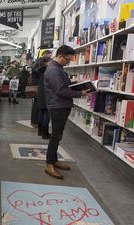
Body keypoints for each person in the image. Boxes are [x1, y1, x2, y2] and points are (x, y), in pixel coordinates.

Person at [44, 45, 90, 179]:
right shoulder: (54, 70)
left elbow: (63, 85)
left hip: (60, 105)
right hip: (58, 106)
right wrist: (80, 92)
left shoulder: (58, 68)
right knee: (55, 135)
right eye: (67, 59)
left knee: (57, 135)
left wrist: (76, 82)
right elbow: (61, 90)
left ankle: (53, 160)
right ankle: (49, 164)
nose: (68, 62)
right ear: (59, 56)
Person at [30, 50, 52, 128]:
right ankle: (36, 122)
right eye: (50, 55)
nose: (50, 57)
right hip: (40, 86)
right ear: (45, 55)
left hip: (37, 86)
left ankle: (34, 121)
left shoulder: (36, 62)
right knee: (39, 105)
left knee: (36, 105)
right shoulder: (41, 64)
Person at [36, 56, 52, 139]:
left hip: (40, 92)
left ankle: (40, 131)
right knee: (46, 113)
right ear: (46, 62)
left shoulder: (38, 70)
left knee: (41, 112)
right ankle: (45, 134)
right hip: (47, 93)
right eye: (50, 61)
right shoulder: (48, 71)